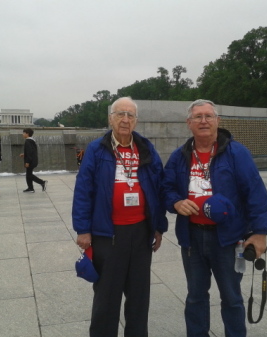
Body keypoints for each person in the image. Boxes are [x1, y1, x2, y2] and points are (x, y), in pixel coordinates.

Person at [163, 99, 267, 337]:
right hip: (191, 237)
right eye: (198, 117)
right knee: (195, 297)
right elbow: (166, 187)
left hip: (228, 239)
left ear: (217, 121)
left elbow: (256, 193)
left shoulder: (237, 153)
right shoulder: (179, 156)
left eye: (208, 116)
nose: (203, 121)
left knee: (232, 297)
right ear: (189, 123)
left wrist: (260, 232)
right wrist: (176, 202)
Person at [72, 97, 168, 337]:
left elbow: (158, 189)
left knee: (139, 297)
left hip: (140, 232)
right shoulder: (97, 149)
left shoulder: (145, 148)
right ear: (110, 118)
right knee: (107, 297)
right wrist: (83, 229)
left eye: (131, 115)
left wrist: (158, 226)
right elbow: (84, 190)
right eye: (120, 114)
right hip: (108, 234)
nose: (126, 120)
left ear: (136, 120)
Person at [19, 128, 47, 193]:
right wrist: (24, 154)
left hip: (31, 161)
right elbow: (32, 151)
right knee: (28, 174)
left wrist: (27, 162)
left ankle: (42, 182)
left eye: (23, 133)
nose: (22, 134)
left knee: (29, 175)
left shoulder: (27, 141)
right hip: (33, 160)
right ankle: (30, 188)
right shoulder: (32, 141)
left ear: (27, 134)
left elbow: (30, 152)